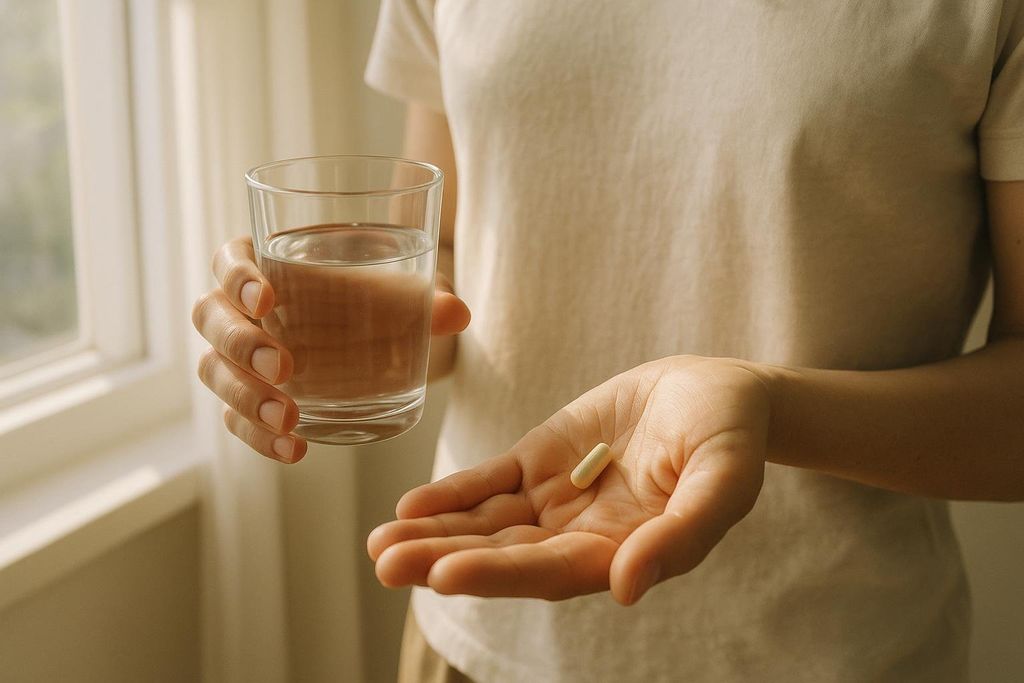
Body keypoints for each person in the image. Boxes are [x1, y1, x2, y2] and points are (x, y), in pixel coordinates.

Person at [191, 1, 1024, 681]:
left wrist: (767, 406)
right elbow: (449, 257)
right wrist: (317, 326)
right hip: (477, 639)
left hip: (830, 649)